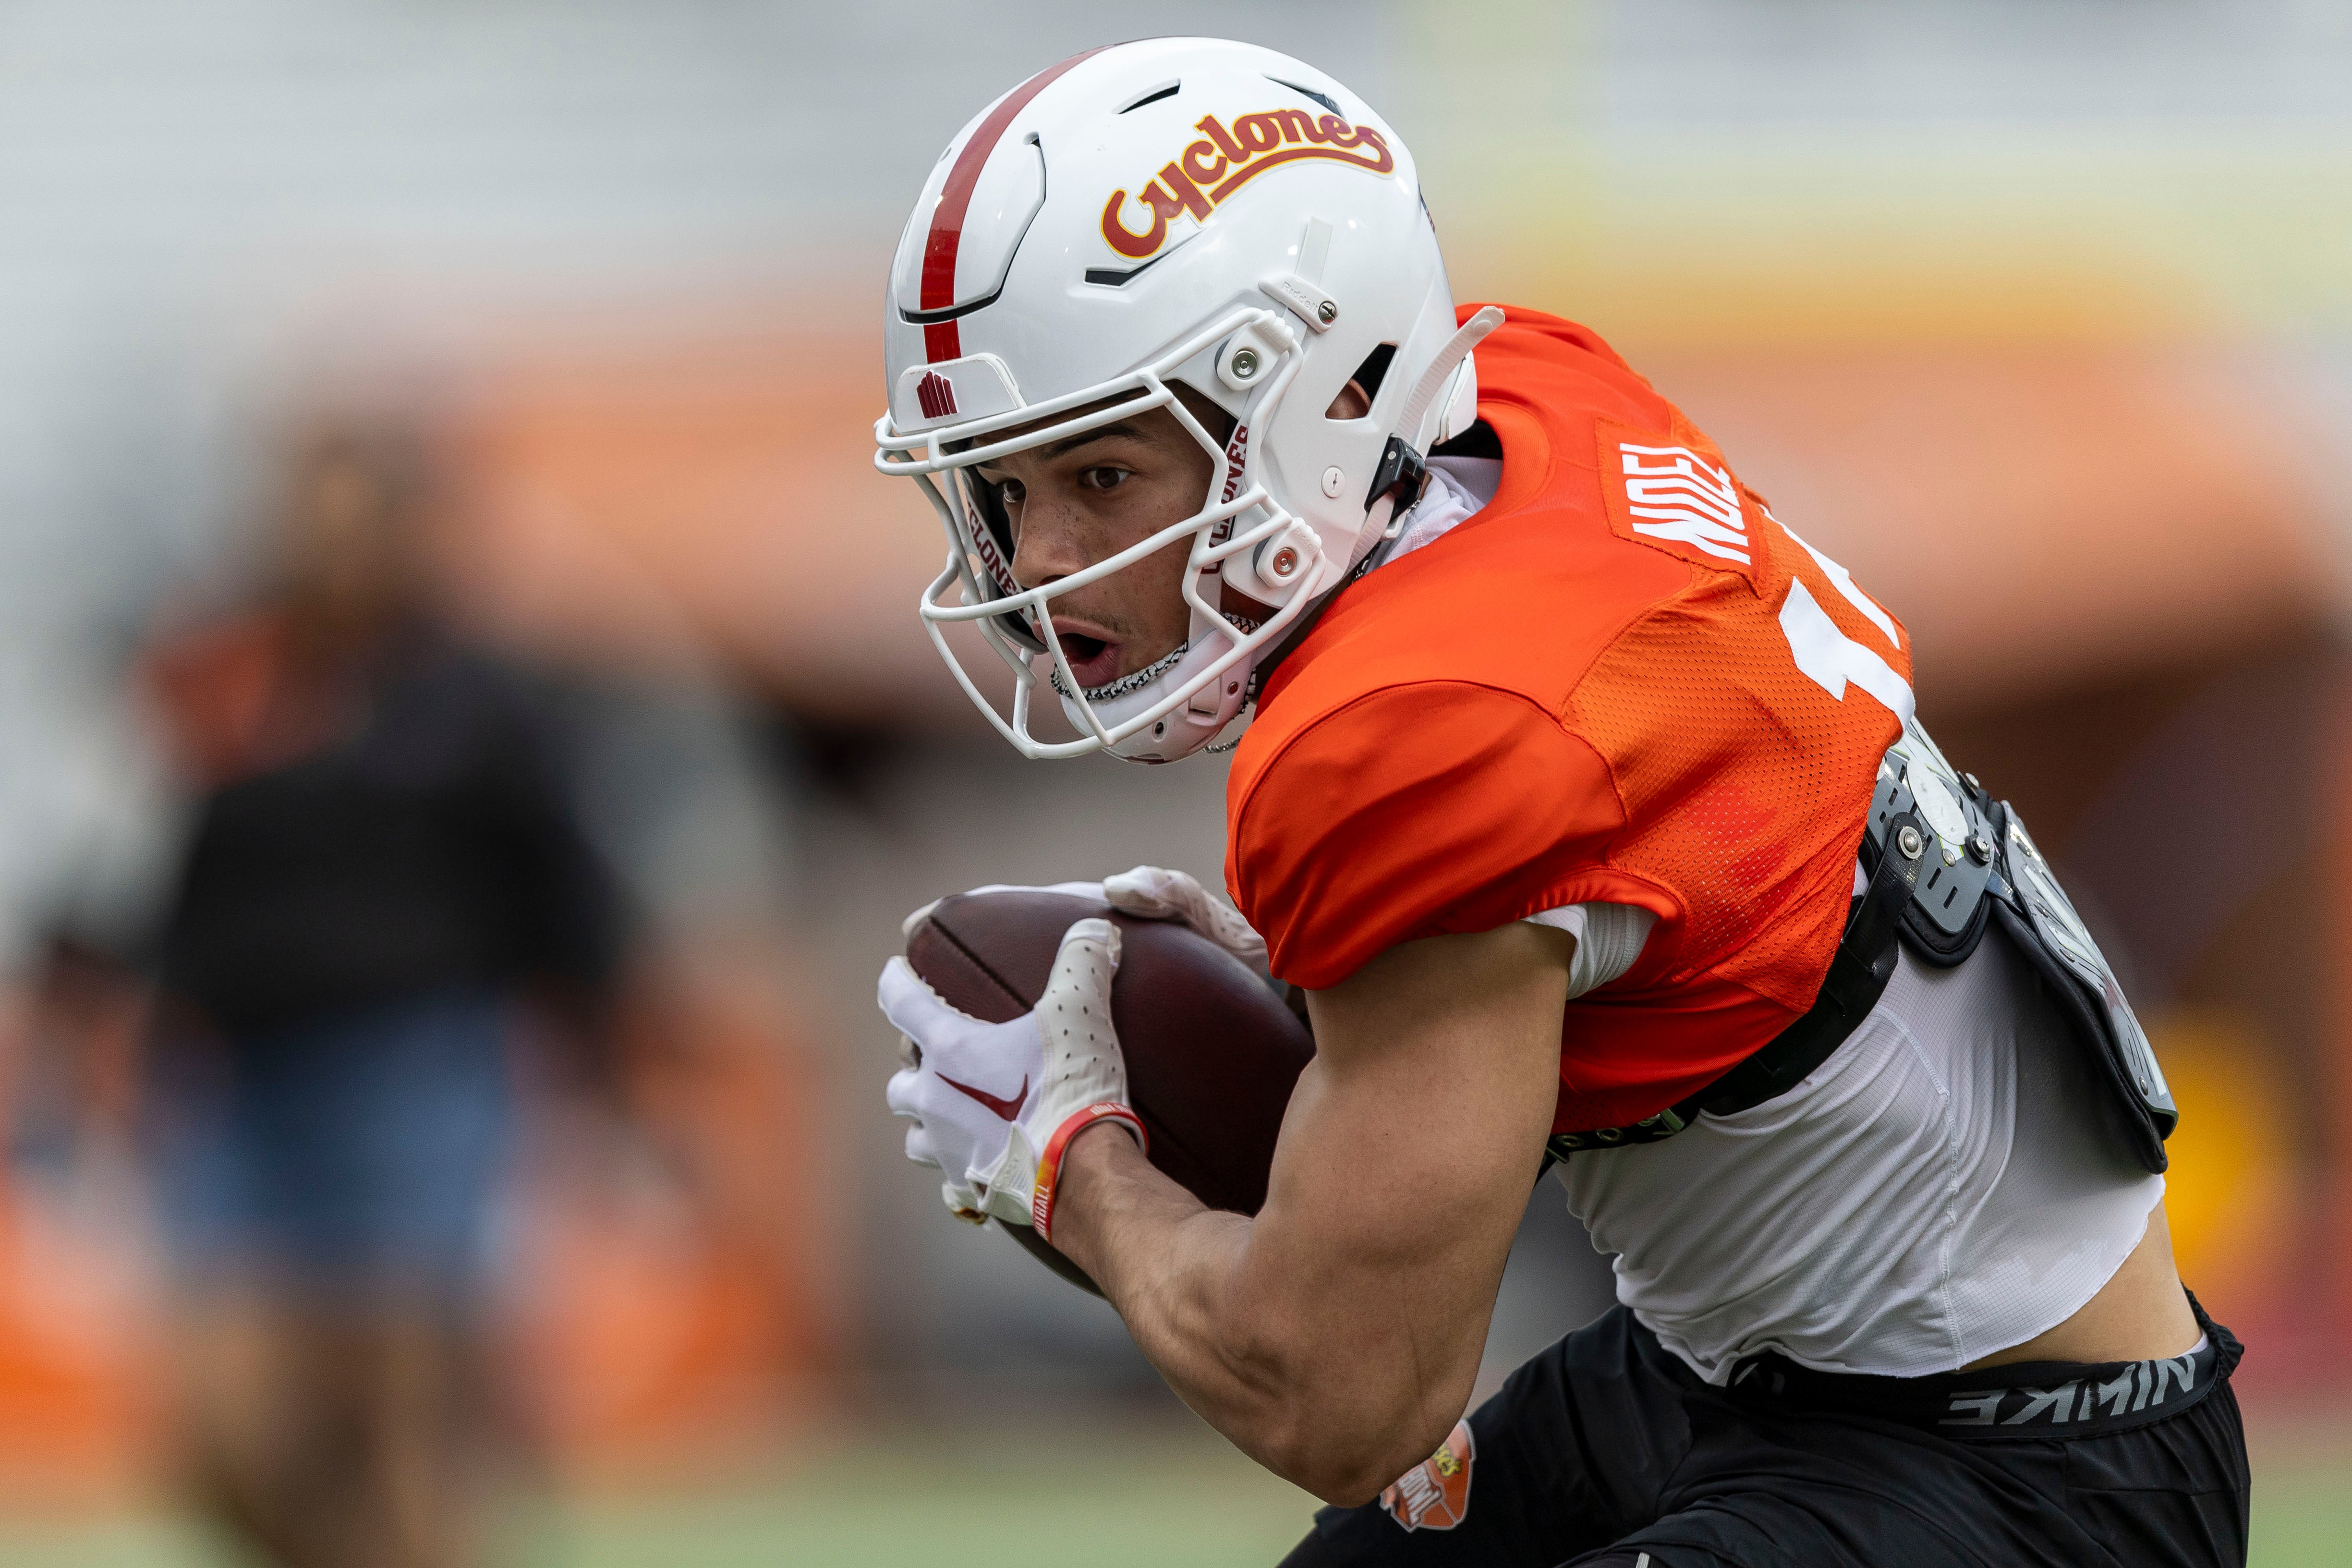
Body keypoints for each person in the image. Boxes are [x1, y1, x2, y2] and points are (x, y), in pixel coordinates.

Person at [871, 38, 2249, 1568]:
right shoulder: (1518, 406)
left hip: (2012, 1464)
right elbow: (1638, 913)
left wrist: (1071, 1165)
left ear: (1318, 408)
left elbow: (1339, 1395)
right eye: (1005, 493)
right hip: (1765, 1356)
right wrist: (1350, 981)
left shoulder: (1418, 735)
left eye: (1105, 476)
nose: (1044, 563)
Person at [130, 423, 624, 1568]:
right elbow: (137, 869)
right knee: (230, 1439)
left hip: (415, 1071)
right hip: (238, 1084)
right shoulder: (220, 678)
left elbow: (566, 887)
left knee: (406, 1418)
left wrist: (603, 1057)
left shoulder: (478, 698)